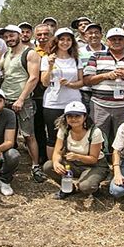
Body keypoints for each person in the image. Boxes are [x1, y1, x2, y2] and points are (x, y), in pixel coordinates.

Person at [83, 27, 124, 152]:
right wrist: (105, 75)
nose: (117, 41)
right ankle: (100, 165)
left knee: (123, 138)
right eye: (113, 39)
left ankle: (120, 164)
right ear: (107, 41)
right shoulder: (96, 56)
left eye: (120, 39)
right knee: (99, 137)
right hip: (100, 105)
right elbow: (87, 80)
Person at [0, 24, 45, 182]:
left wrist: (21, 98)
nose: (9, 39)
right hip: (5, 99)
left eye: (12, 36)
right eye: (6, 37)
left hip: (23, 101)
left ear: (19, 35)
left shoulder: (30, 53)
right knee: (6, 134)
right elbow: (3, 73)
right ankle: (8, 164)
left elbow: (33, 78)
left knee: (28, 135)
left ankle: (35, 166)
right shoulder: (6, 54)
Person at [43, 101, 109, 199]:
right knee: (49, 166)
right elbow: (57, 151)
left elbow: (93, 159)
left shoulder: (95, 132)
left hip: (94, 165)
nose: (73, 119)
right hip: (73, 163)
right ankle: (68, 188)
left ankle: (94, 187)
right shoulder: (64, 130)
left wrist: (77, 156)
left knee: (85, 186)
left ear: (85, 117)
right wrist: (57, 163)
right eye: (70, 116)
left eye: (77, 116)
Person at [40, 27, 84, 160]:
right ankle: (52, 165)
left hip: (73, 101)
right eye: (62, 39)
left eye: (68, 39)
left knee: (72, 134)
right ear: (56, 41)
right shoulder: (47, 58)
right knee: (53, 136)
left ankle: (70, 162)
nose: (65, 42)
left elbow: (82, 82)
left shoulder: (76, 59)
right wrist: (50, 66)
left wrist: (69, 84)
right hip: (53, 103)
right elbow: (44, 82)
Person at [31, 23, 52, 161]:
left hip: (55, 95)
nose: (43, 37)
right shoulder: (32, 52)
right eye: (39, 34)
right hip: (38, 95)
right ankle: (42, 155)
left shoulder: (58, 51)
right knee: (38, 126)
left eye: (46, 34)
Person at [78, 23, 106, 111]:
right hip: (85, 92)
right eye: (90, 33)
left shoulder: (109, 51)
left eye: (96, 32)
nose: (93, 35)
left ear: (101, 35)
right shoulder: (79, 52)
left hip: (104, 91)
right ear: (85, 36)